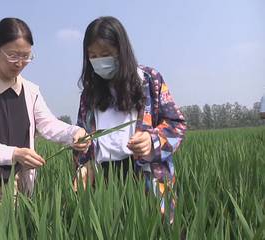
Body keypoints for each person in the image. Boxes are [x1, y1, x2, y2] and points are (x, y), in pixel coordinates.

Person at [0, 17, 90, 224]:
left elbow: (48, 124)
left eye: (26, 57)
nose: (19, 63)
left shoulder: (30, 91)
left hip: (13, 189)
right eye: (13, 55)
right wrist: (14, 153)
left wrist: (74, 133)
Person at [73, 16, 187, 222]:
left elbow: (177, 125)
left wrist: (151, 141)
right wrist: (84, 164)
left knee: (156, 229)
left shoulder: (150, 80)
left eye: (106, 54)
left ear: (121, 50)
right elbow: (81, 137)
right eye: (93, 56)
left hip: (145, 175)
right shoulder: (89, 94)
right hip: (104, 181)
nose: (99, 61)